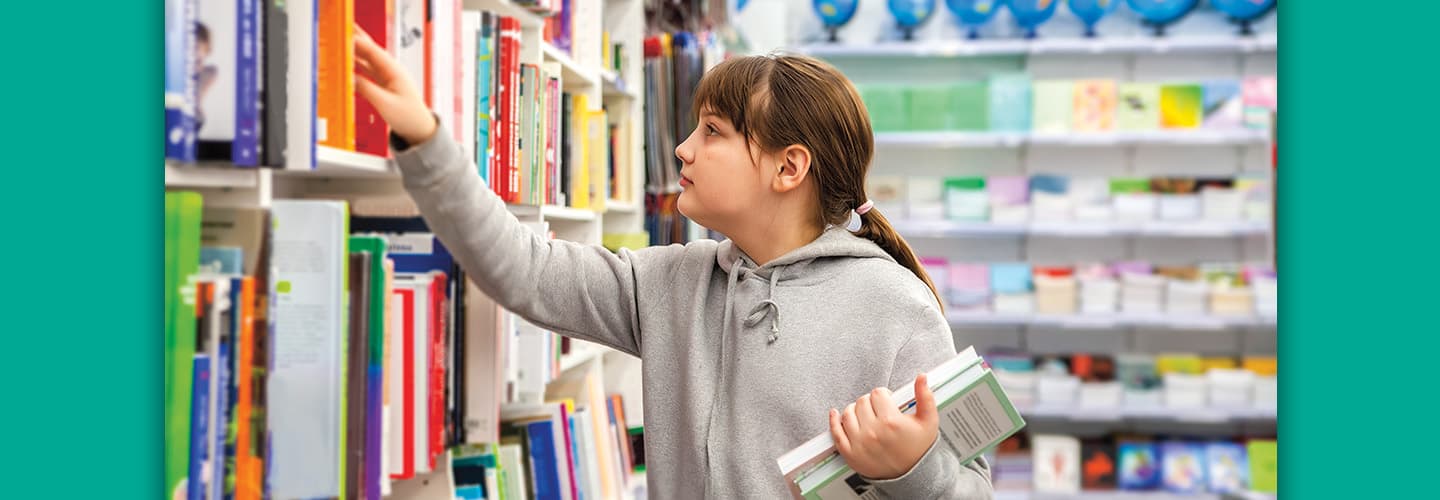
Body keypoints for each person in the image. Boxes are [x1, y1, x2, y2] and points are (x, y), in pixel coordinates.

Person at [352, 27, 992, 499]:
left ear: (787, 167)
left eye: (712, 132)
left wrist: (912, 469)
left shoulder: (897, 308)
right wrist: (429, 143)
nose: (683, 149)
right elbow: (523, 270)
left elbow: (972, 490)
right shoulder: (669, 282)